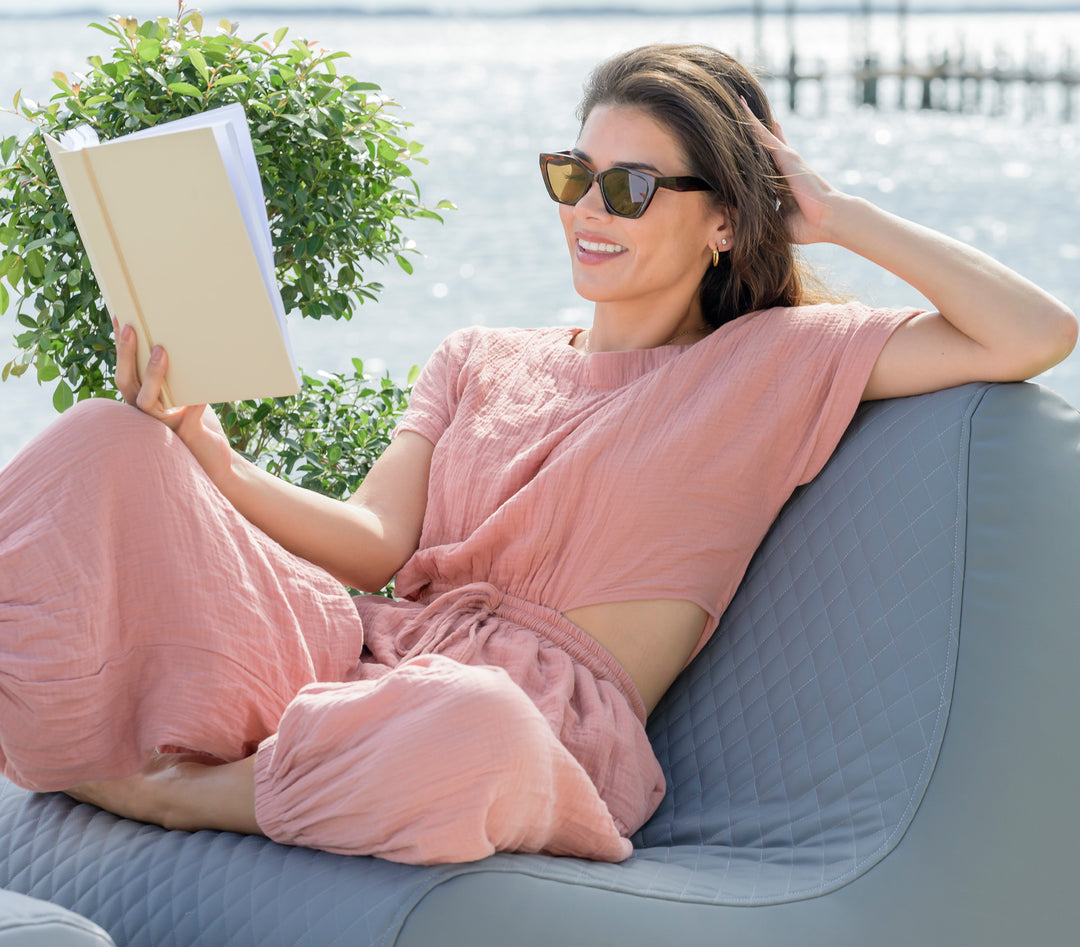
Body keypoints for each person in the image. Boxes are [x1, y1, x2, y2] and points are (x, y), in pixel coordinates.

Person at [1, 44, 1075, 864]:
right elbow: (374, 543)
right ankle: (225, 747)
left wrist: (834, 215)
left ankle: (171, 790)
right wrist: (208, 456)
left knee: (463, 725)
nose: (587, 212)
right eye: (575, 174)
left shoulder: (778, 362)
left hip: (527, 729)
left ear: (726, 222)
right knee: (106, 441)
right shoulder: (476, 357)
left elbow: (1031, 332)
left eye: (632, 188)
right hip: (362, 658)